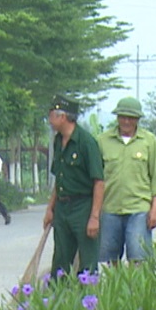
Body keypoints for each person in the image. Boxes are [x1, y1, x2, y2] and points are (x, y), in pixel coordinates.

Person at [96, 97, 156, 264]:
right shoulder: (102, 141)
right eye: (122, 116)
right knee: (108, 260)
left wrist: (155, 209)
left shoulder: (149, 141)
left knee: (139, 257)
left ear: (138, 119)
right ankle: (115, 290)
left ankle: (138, 290)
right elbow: (96, 179)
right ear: (117, 117)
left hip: (139, 210)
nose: (126, 121)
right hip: (109, 209)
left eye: (131, 117)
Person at [42, 97, 103, 278]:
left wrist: (94, 217)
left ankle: (88, 300)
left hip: (83, 206)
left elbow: (99, 182)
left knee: (87, 260)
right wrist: (50, 209)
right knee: (60, 259)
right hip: (62, 207)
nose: (49, 121)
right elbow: (59, 179)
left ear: (62, 117)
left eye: (51, 116)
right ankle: (59, 300)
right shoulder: (58, 141)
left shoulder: (86, 143)